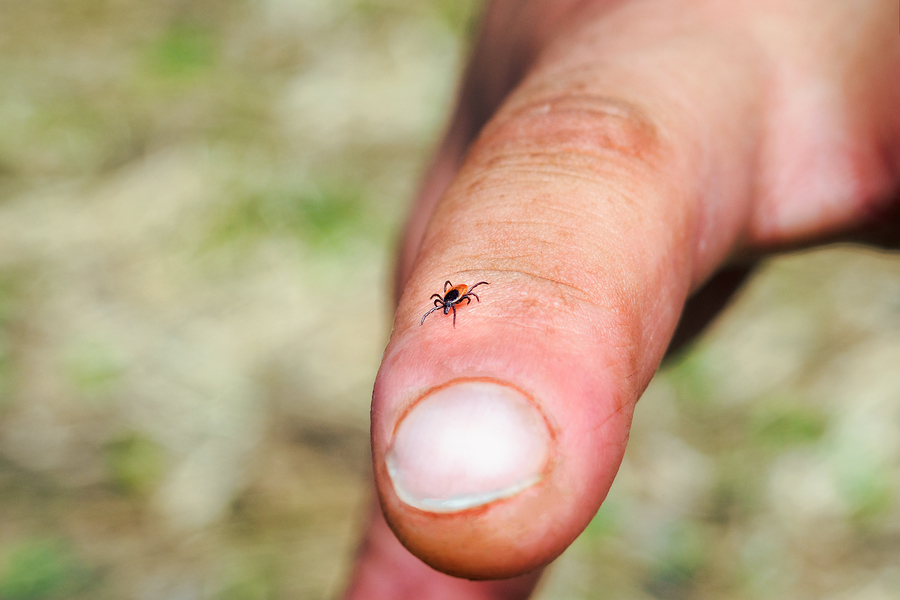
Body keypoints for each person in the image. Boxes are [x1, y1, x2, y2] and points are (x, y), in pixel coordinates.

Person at [343, 0, 900, 597]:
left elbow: (464, 293)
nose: (451, 303)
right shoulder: (452, 298)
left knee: (471, 296)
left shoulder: (456, 298)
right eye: (449, 303)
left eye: (450, 302)